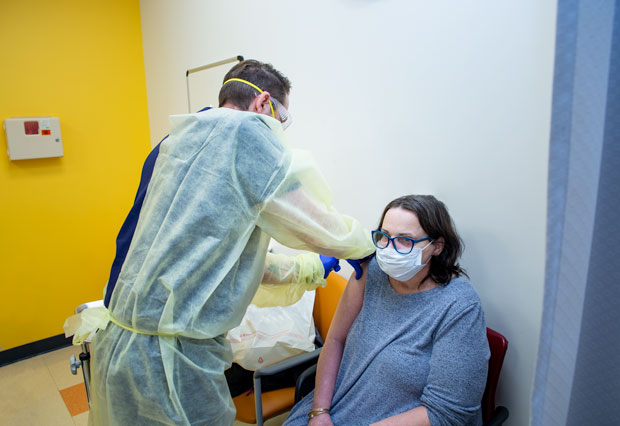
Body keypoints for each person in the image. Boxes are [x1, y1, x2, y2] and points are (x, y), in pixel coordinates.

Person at [73, 60, 375, 425]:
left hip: (120, 343)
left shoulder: (176, 142)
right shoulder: (246, 136)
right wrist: (365, 245)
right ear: (264, 102)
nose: (278, 131)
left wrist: (309, 268)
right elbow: (316, 222)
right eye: (282, 119)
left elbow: (215, 259)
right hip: (170, 363)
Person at [284, 194, 490, 426]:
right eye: (384, 236)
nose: (390, 249)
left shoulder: (459, 306)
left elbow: (446, 412)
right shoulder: (371, 272)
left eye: (405, 240)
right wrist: (320, 412)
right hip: (341, 406)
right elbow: (335, 340)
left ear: (437, 246)